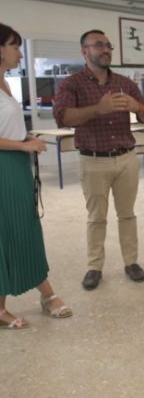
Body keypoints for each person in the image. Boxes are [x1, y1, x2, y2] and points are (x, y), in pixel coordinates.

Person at [53, 29, 144, 290]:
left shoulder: (124, 83)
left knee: (127, 214)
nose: (105, 50)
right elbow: (63, 117)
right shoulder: (72, 84)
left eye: (108, 45)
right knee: (96, 217)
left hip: (126, 159)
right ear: (84, 52)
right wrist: (97, 109)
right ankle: (94, 267)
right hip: (93, 160)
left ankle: (131, 262)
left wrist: (137, 107)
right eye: (98, 45)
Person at [0, 22, 72, 328]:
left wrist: (25, 138)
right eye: (15, 46)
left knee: (24, 228)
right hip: (5, 166)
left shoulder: (5, 83)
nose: (19, 53)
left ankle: (44, 292)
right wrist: (23, 145)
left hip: (15, 165)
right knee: (7, 232)